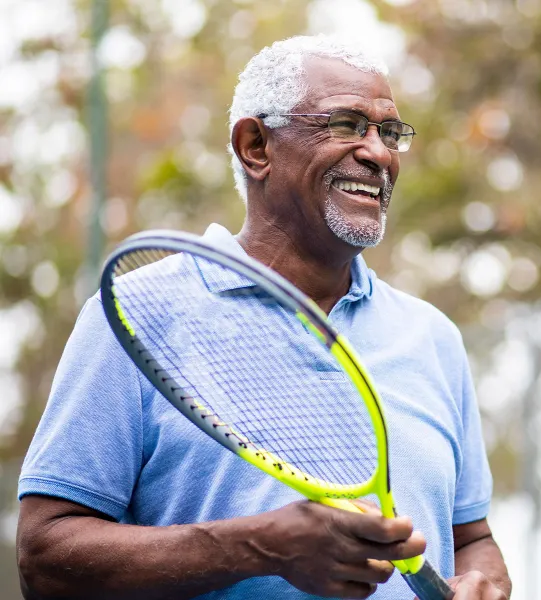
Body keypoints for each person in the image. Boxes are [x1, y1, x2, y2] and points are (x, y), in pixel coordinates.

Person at [16, 35, 511, 600]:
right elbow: (44, 560)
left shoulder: (432, 336)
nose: (379, 154)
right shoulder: (134, 317)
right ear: (255, 146)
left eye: (390, 132)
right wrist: (258, 546)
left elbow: (473, 537)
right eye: (347, 125)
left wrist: (484, 583)